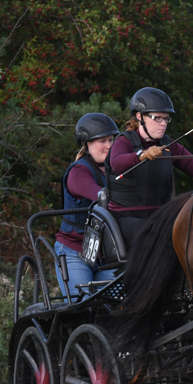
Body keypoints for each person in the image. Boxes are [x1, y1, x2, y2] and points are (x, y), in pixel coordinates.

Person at [105, 87, 193, 247]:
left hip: (160, 215)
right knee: (157, 234)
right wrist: (142, 155)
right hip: (124, 217)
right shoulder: (124, 141)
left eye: (166, 119)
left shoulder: (170, 145)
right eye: (157, 118)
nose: (163, 123)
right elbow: (117, 162)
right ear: (140, 116)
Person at [55, 113, 121, 301]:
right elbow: (98, 194)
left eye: (111, 140)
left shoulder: (116, 170)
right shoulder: (78, 172)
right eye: (102, 141)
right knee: (83, 305)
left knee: (123, 301)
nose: (109, 145)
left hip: (105, 255)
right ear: (87, 144)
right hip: (74, 252)